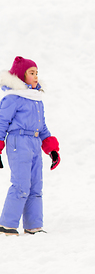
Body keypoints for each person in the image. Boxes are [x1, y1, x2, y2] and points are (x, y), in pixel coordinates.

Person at [0, 56, 60, 236]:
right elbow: (2, 123)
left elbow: (41, 128)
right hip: (19, 142)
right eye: (31, 73)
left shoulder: (36, 98)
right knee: (21, 185)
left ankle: (33, 225)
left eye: (36, 73)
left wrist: (51, 149)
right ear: (20, 76)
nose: (35, 76)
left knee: (35, 186)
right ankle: (7, 225)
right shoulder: (13, 98)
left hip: (34, 142)